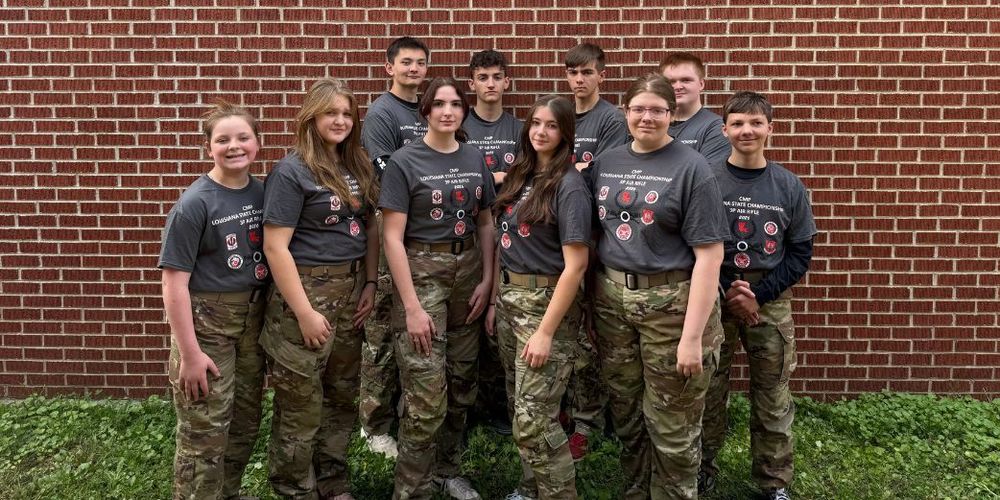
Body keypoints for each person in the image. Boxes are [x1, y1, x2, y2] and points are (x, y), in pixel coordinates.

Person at [589, 73, 729, 500]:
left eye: (657, 110)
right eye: (638, 109)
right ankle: (636, 490)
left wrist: (691, 339)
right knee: (628, 413)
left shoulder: (692, 168)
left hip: (672, 308)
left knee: (673, 421)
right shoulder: (607, 162)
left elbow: (710, 256)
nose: (646, 117)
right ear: (625, 112)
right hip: (613, 304)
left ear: (671, 115)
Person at [260, 79, 379, 500]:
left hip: (349, 294)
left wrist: (368, 281)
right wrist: (306, 313)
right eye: (331, 113)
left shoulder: (358, 164)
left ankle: (331, 479)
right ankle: (294, 487)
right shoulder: (292, 170)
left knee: (342, 394)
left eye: (347, 114)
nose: (341, 121)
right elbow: (275, 247)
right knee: (301, 403)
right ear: (311, 117)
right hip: (305, 297)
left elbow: (369, 227)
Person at [378, 77, 496, 500]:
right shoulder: (404, 162)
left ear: (464, 112)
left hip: (468, 273)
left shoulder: (474, 157)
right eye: (439, 104)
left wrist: (486, 279)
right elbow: (392, 237)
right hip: (421, 273)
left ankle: (448, 471)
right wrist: (410, 306)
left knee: (462, 382)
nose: (448, 111)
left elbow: (485, 221)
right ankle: (412, 487)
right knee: (426, 392)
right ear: (425, 111)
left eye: (455, 104)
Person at [699, 91, 817, 500]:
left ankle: (773, 483)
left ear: (770, 128)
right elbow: (691, 243)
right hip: (713, 299)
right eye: (737, 123)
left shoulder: (788, 185)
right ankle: (702, 469)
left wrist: (758, 295)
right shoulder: (706, 177)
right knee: (708, 393)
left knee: (773, 396)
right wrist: (724, 292)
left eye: (755, 122)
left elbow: (801, 252)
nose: (746, 130)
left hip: (770, 301)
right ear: (724, 129)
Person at [159, 101, 269, 500]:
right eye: (223, 139)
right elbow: (173, 284)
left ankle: (228, 492)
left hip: (252, 322)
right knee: (205, 430)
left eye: (243, 137)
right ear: (209, 147)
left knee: (243, 421)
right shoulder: (195, 203)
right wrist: (189, 354)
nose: (234, 146)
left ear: (258, 143)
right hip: (208, 326)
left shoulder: (264, 192)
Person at [488, 95, 590, 500]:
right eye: (534, 124)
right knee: (520, 407)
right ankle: (531, 486)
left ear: (565, 132)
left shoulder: (569, 185)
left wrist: (546, 332)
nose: (540, 132)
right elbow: (503, 242)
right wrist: (496, 299)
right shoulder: (521, 176)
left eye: (550, 125)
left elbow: (576, 266)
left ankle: (559, 492)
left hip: (545, 307)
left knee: (536, 418)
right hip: (511, 299)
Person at [359, 35, 431, 458]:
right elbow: (384, 168)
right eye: (406, 63)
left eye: (420, 63)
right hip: (392, 232)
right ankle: (374, 423)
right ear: (390, 68)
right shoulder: (383, 113)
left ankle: (404, 408)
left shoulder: (423, 112)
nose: (413, 69)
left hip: (422, 236)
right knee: (382, 332)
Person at [562, 41, 628, 460]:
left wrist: (567, 169)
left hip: (599, 237)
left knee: (591, 333)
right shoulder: (563, 114)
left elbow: (602, 172)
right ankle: (568, 412)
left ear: (601, 75)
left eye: (587, 72)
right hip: (562, 235)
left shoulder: (610, 120)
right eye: (573, 72)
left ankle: (588, 420)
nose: (580, 80)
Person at [463, 49, 523, 436]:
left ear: (506, 83)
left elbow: (527, 178)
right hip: (465, 235)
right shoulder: (458, 126)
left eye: (496, 77)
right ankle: (468, 410)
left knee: (499, 322)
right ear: (472, 84)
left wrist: (501, 178)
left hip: (511, 236)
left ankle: (501, 408)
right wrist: (497, 176)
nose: (489, 84)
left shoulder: (520, 130)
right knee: (466, 321)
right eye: (482, 77)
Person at [659, 52, 731, 167]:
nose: (678, 87)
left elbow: (706, 177)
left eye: (686, 80)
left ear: (701, 84)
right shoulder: (652, 123)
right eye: (671, 81)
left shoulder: (715, 127)